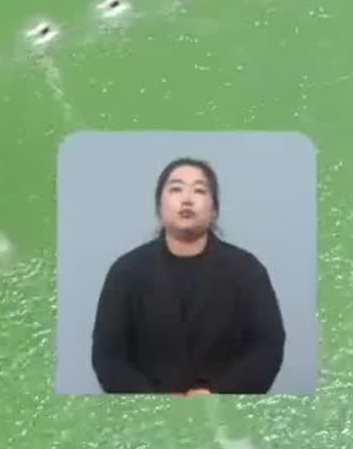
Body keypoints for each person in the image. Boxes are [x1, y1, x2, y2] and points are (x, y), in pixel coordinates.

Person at [90, 158, 286, 394]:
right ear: (159, 207)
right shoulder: (126, 271)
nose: (187, 198)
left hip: (227, 415)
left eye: (200, 190)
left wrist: (217, 395)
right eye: (176, 189)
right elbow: (108, 356)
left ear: (214, 210)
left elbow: (267, 346)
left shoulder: (247, 270)